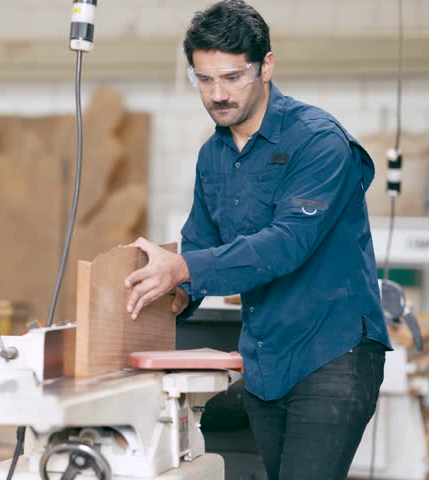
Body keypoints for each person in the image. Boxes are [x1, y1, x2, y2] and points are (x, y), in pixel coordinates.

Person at [123, 1, 393, 478]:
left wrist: (184, 269)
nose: (217, 94)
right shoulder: (214, 155)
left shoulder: (318, 141)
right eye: (203, 80)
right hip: (265, 365)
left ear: (266, 66)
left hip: (333, 354)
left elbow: (288, 242)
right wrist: (173, 291)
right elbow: (200, 244)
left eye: (232, 77)